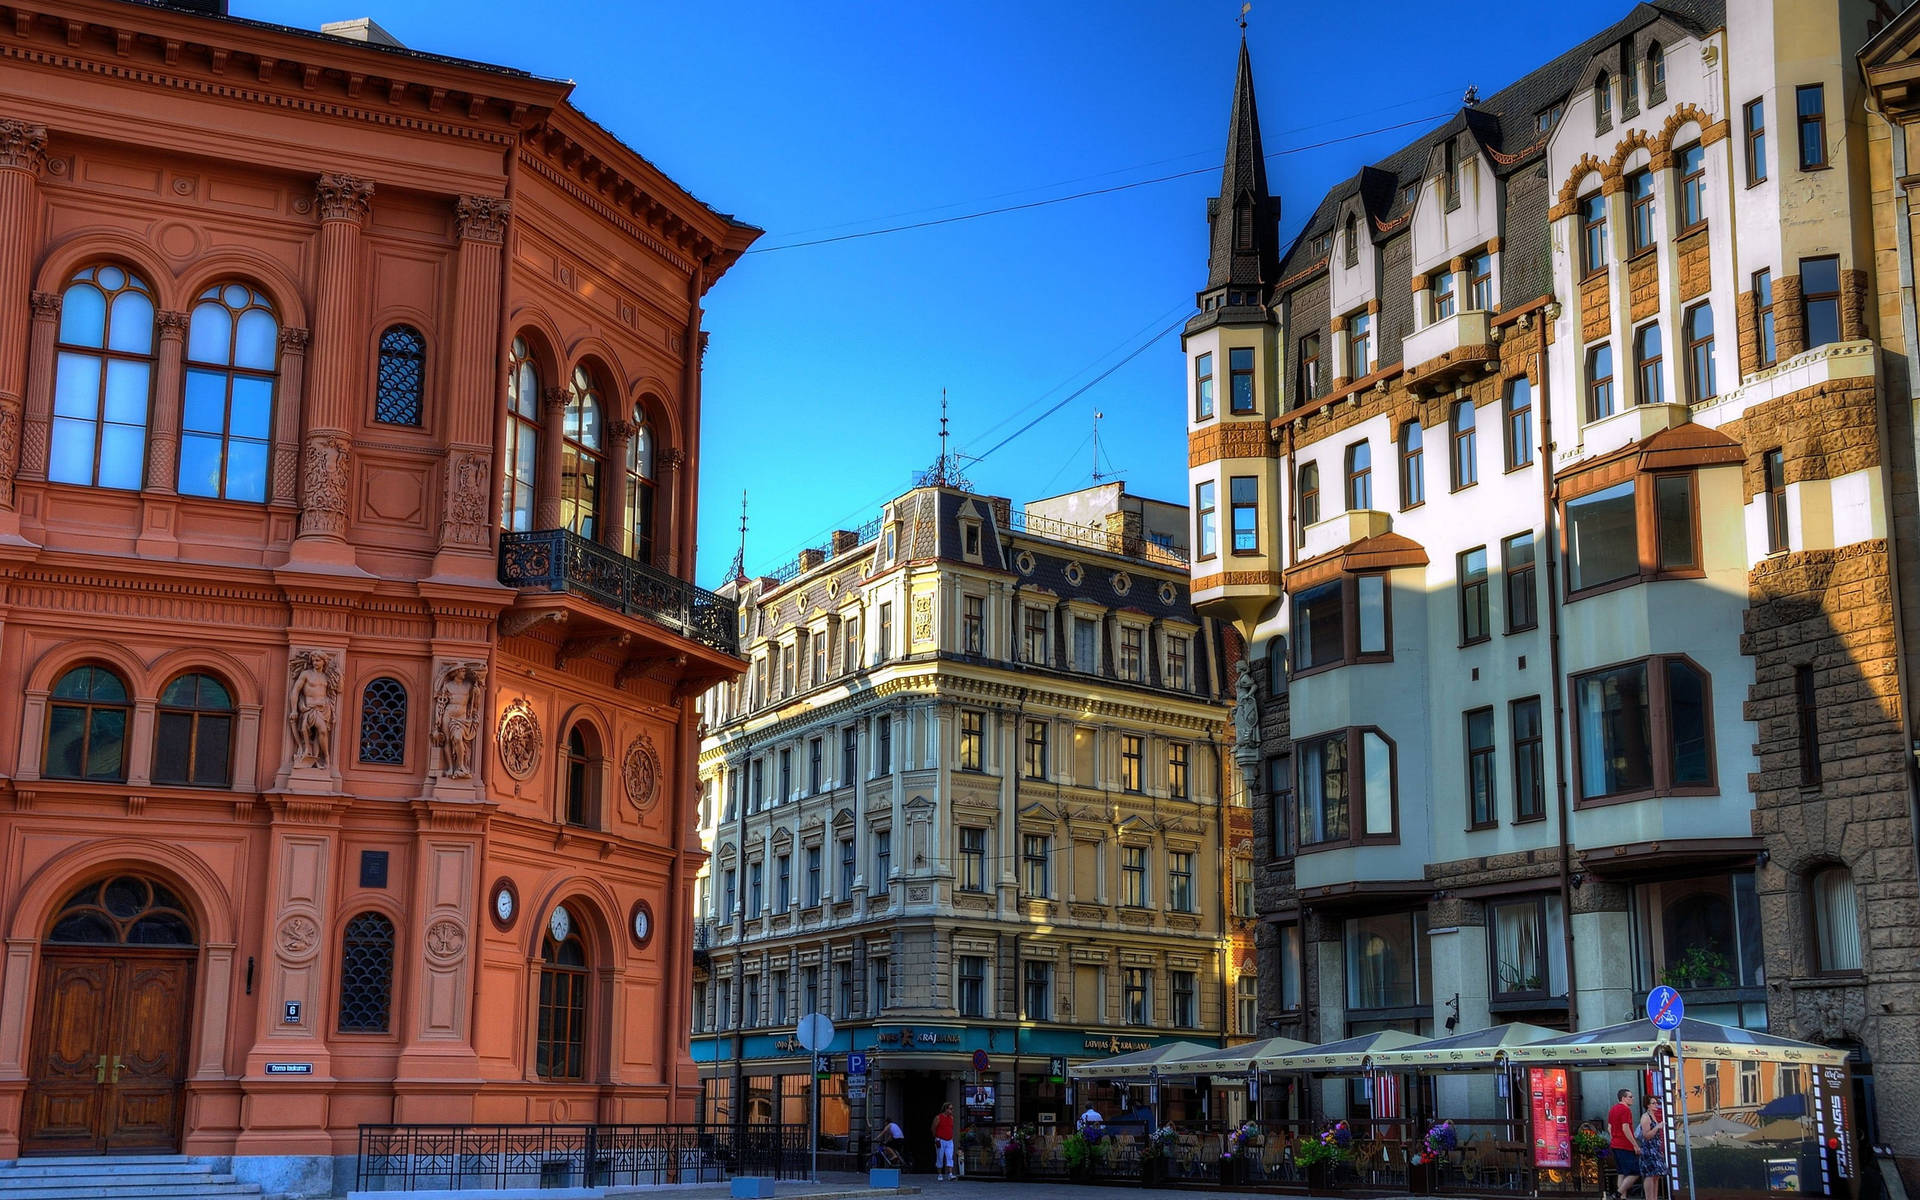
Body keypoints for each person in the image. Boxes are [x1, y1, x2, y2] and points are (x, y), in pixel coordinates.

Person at [1608, 1088, 1641, 1200]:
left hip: (1615, 1145)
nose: (1633, 1099)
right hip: (1625, 1145)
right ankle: (1617, 1194)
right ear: (1623, 1098)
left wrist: (1614, 1139)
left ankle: (1623, 1197)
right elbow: (1625, 1128)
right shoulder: (1625, 1110)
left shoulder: (1613, 1109)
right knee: (1635, 1172)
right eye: (1630, 1097)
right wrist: (1635, 1145)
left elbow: (1609, 1127)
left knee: (1621, 1172)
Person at [1637, 1099, 1668, 1200]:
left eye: (1656, 1103)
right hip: (1648, 1149)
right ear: (1648, 1105)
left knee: (1656, 1175)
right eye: (1653, 1103)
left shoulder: (1653, 1116)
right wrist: (1657, 1127)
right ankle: (1649, 1198)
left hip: (1655, 1148)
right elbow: (1646, 1135)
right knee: (1650, 1175)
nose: (1656, 1105)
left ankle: (1654, 1197)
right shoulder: (1645, 1117)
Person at [932, 1102, 956, 1181]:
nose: (951, 1110)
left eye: (952, 1109)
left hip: (949, 1140)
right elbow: (933, 1128)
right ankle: (939, 1174)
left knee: (949, 1156)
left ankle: (950, 1174)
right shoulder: (938, 1117)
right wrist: (936, 1138)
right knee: (940, 1157)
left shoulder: (951, 1118)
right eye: (950, 1109)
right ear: (946, 1109)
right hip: (940, 1139)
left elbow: (951, 1128)